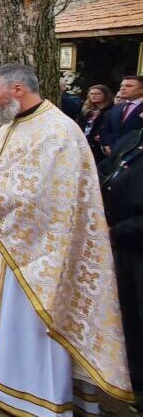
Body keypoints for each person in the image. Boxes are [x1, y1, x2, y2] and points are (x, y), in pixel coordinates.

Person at [0, 64, 133, 413]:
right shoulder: (12, 124)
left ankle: (28, 388)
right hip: (4, 236)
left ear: (17, 90)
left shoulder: (58, 132)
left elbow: (31, 192)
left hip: (39, 249)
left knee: (29, 316)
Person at [101, 128, 143, 406]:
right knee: (127, 312)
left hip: (133, 237)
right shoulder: (133, 137)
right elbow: (108, 167)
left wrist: (117, 231)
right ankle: (133, 375)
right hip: (120, 241)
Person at [101, 75, 143, 155]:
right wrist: (106, 145)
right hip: (113, 154)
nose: (122, 88)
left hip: (136, 156)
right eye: (122, 85)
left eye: (129, 86)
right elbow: (105, 128)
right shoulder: (117, 107)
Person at [79, 84, 115, 164]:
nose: (94, 96)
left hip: (99, 145)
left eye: (98, 94)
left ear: (106, 95)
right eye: (92, 94)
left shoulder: (111, 110)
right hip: (85, 142)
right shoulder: (86, 110)